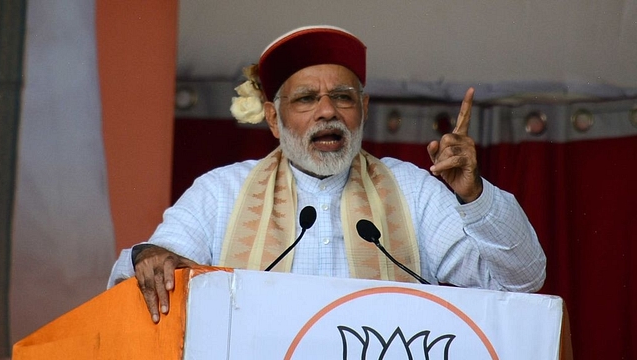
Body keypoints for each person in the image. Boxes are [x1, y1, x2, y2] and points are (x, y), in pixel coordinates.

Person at [108, 25, 546, 323]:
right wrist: (150, 259)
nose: (327, 112)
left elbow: (520, 281)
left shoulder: (412, 191)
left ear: (364, 110)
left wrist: (475, 197)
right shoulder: (221, 193)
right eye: (305, 100)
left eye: (342, 97)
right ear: (274, 119)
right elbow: (150, 271)